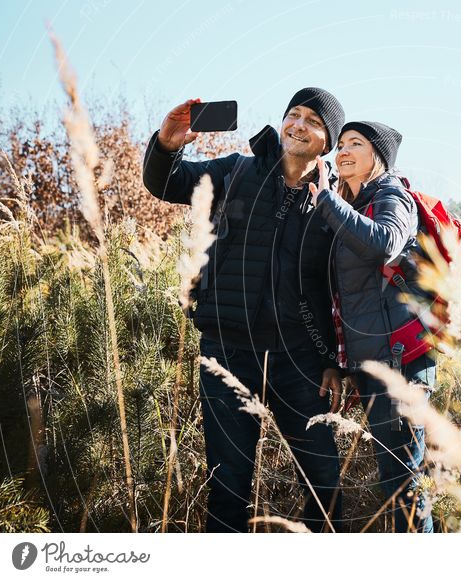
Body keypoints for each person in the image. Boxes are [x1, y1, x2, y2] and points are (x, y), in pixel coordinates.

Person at [142, 88, 346, 532]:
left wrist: (332, 361)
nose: (298, 125)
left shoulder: (334, 203)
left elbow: (337, 289)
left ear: (326, 141)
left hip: (299, 362)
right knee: (229, 484)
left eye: (313, 120)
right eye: (294, 114)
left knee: (324, 482)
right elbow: (167, 184)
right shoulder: (237, 171)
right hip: (228, 350)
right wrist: (167, 145)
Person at [309, 121, 436, 533]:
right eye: (341, 144)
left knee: (403, 485)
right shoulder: (357, 202)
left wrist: (328, 201)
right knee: (396, 480)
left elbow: (386, 242)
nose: (342, 150)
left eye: (355, 144)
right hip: (373, 362)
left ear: (377, 157)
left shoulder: (391, 194)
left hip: (399, 363)